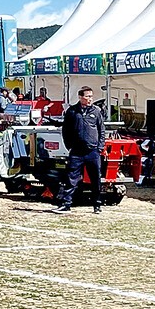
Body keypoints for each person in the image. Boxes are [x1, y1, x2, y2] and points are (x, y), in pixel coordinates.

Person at [56, 86, 106, 214]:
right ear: (80, 97)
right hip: (77, 152)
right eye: (87, 96)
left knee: (95, 179)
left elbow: (101, 130)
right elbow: (65, 130)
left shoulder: (96, 111)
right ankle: (66, 204)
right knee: (71, 178)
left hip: (92, 151)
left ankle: (97, 204)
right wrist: (69, 146)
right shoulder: (72, 111)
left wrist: (99, 147)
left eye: (91, 96)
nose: (90, 99)